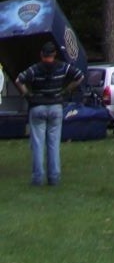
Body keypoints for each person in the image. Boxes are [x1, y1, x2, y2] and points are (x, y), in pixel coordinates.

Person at [15, 41, 84, 187]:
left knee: (38, 144)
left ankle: (37, 178)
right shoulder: (62, 67)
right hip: (55, 107)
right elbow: (79, 77)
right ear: (54, 54)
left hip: (38, 106)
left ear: (42, 54)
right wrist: (66, 90)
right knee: (53, 144)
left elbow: (19, 80)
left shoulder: (35, 69)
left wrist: (28, 94)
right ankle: (54, 178)